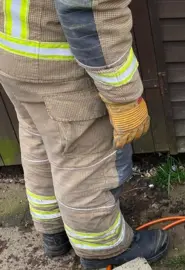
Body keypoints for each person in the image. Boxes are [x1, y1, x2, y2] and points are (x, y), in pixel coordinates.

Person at [0, 0, 168, 269]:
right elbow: (89, 11)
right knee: (85, 163)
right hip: (61, 69)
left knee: (40, 141)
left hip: (15, 52)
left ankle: (54, 231)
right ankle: (104, 249)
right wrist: (123, 96)